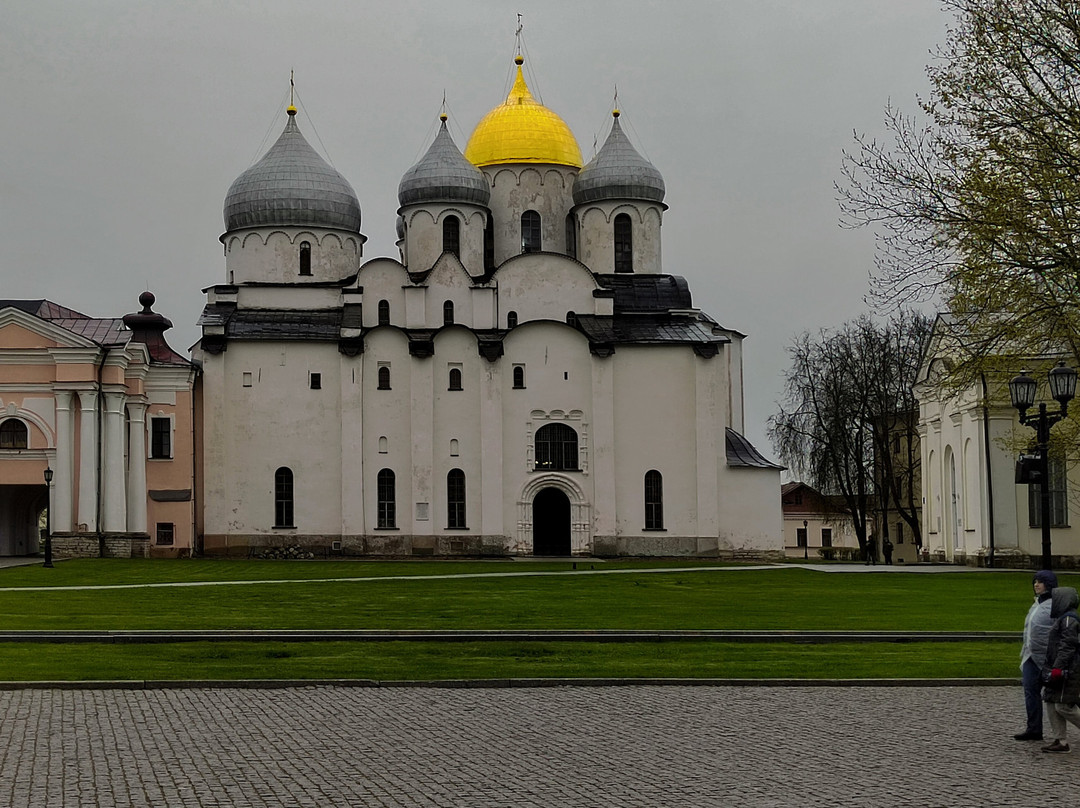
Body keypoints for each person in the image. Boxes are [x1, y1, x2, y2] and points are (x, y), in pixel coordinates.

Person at [1014, 570, 1056, 740]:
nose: (1036, 585)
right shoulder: (1036, 604)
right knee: (1030, 691)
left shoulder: (1054, 605)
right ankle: (1034, 728)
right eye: (1035, 582)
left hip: (1049, 658)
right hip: (1030, 655)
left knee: (1061, 697)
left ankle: (1060, 734)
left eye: (1040, 582)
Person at [1041, 585, 1080, 753]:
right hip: (1056, 666)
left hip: (1068, 669)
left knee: (1064, 706)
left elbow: (1067, 646)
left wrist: (1058, 667)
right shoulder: (1063, 618)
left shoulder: (1069, 620)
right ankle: (1060, 740)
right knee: (1050, 700)